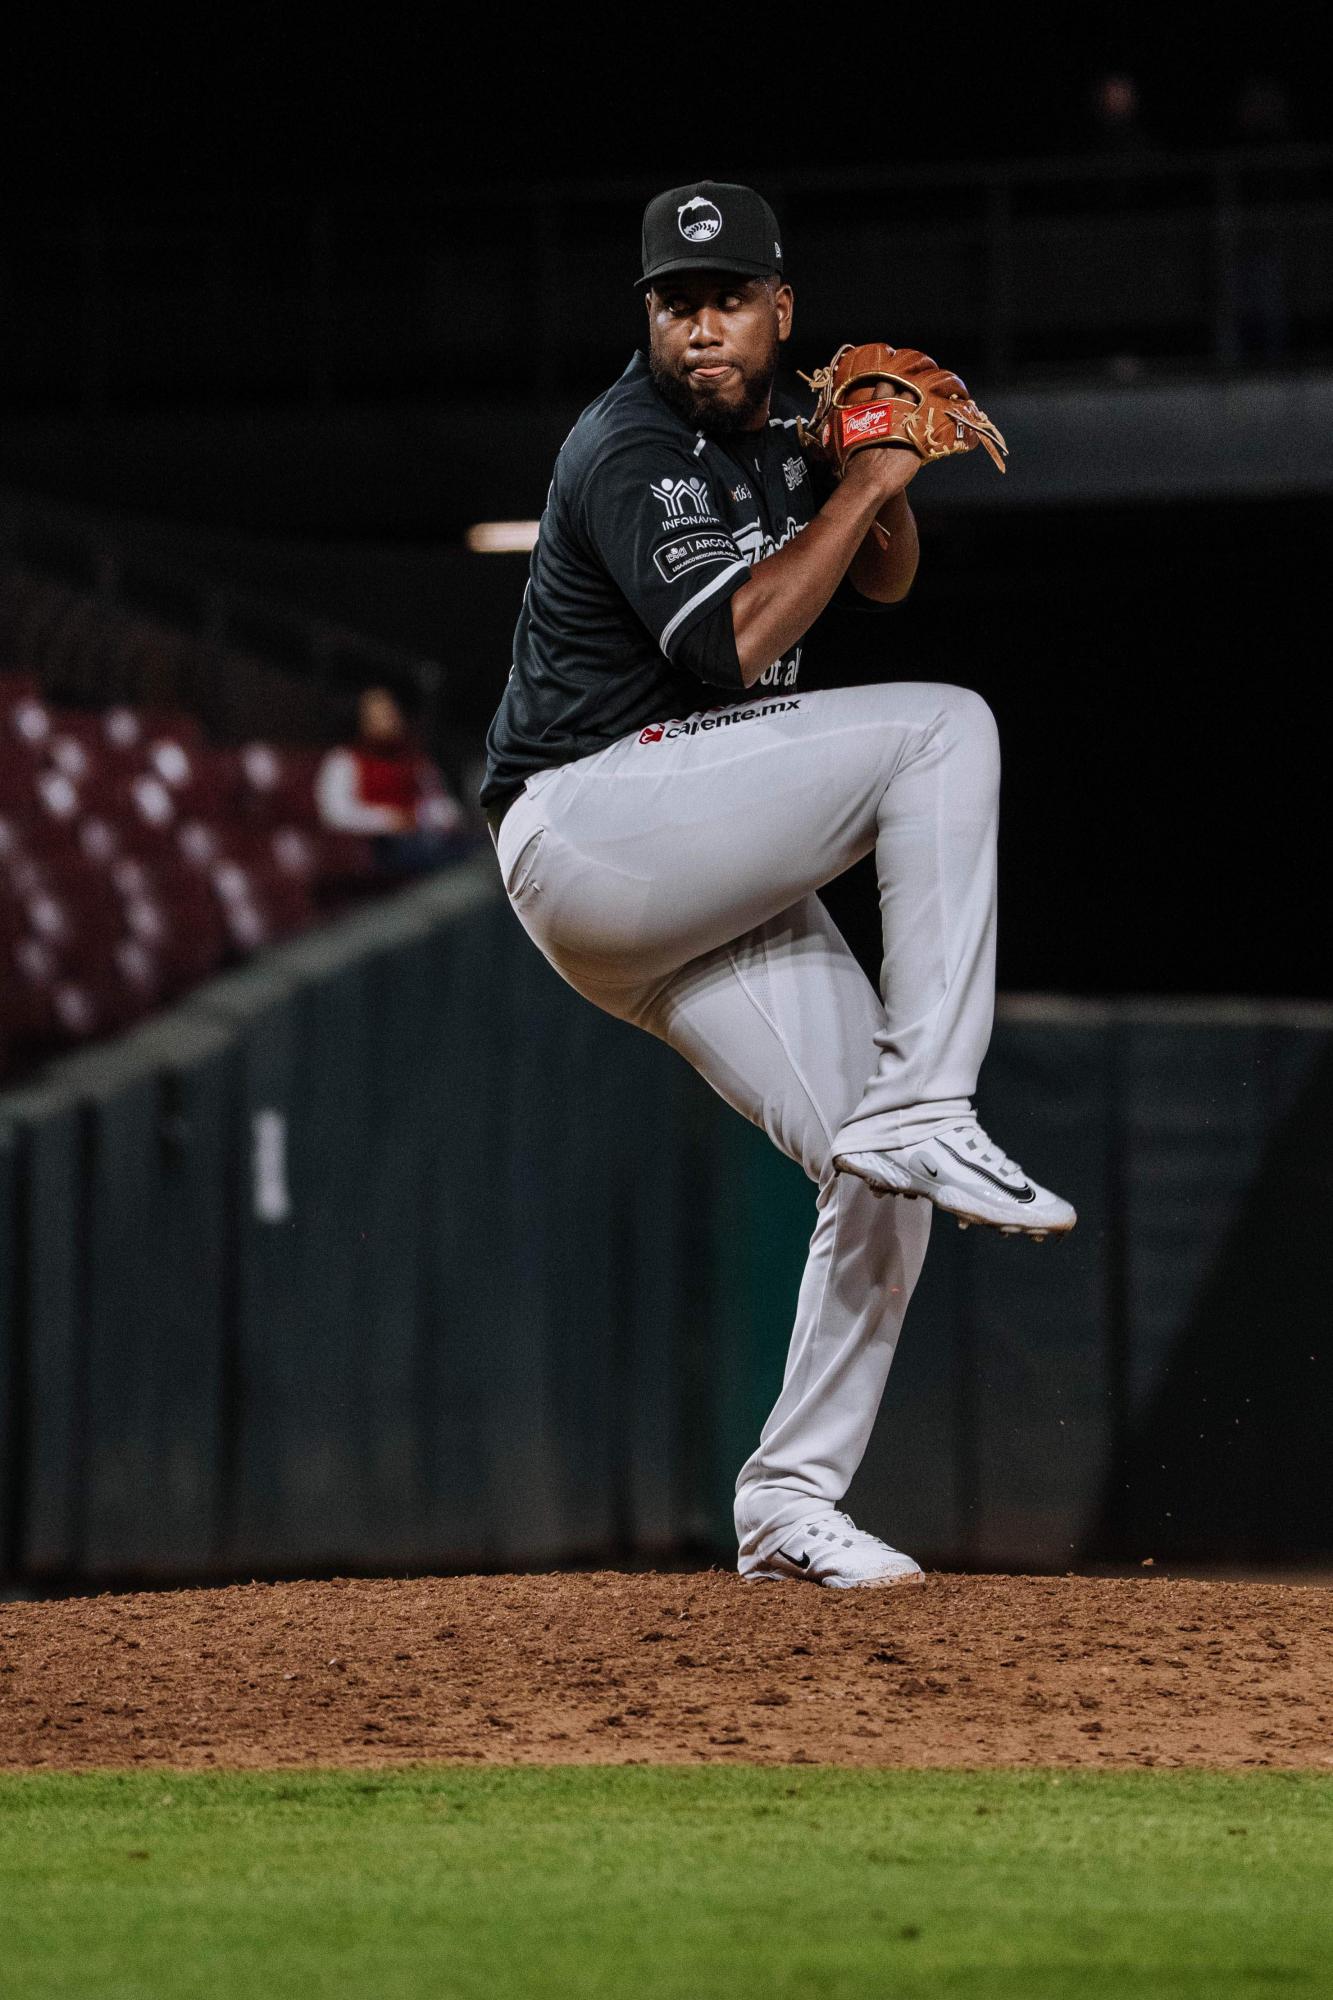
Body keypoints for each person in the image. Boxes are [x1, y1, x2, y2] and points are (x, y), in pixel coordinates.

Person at [480, 180, 1076, 1591]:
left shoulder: (777, 439)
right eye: (676, 303)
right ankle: (935, 1091)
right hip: (591, 826)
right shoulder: (633, 446)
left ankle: (790, 1504)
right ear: (647, 316)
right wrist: (868, 472)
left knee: (871, 1169)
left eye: (727, 299)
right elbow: (733, 646)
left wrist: (877, 475)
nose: (701, 327)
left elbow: (881, 585)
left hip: (693, 885)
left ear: (779, 309)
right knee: (946, 727)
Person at [316, 684, 466, 873]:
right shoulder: (344, 760)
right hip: (380, 848)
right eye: (379, 714)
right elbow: (336, 815)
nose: (390, 719)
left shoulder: (415, 759)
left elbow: (441, 804)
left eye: (391, 711)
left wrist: (433, 819)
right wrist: (389, 820)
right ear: (361, 720)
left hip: (425, 840)